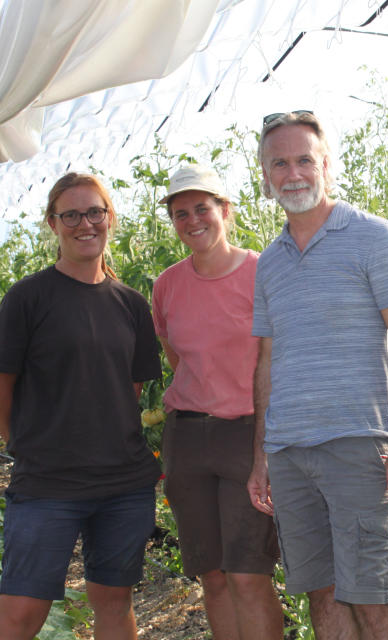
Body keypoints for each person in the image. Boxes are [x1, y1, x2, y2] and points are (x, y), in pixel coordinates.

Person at [247, 110, 388, 640]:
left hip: (356, 443)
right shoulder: (270, 263)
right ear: (265, 177)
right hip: (288, 453)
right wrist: (261, 454)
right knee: (322, 596)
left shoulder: (372, 236)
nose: (293, 172)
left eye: (305, 158)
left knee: (371, 596)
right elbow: (266, 363)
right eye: (279, 163)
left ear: (326, 165)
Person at [0, 173, 162, 640]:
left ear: (110, 218)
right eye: (71, 214)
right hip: (47, 484)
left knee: (114, 601)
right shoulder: (29, 297)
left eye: (95, 212)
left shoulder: (131, 305)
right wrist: (24, 446)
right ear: (53, 223)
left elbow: (131, 389)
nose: (85, 223)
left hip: (123, 484)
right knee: (22, 610)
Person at [151, 164, 283, 639]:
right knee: (211, 575)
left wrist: (265, 447)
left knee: (249, 573)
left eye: (202, 208)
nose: (193, 220)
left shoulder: (262, 271)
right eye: (180, 213)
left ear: (225, 211)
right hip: (187, 437)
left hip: (247, 434)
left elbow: (280, 357)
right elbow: (175, 357)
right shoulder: (167, 284)